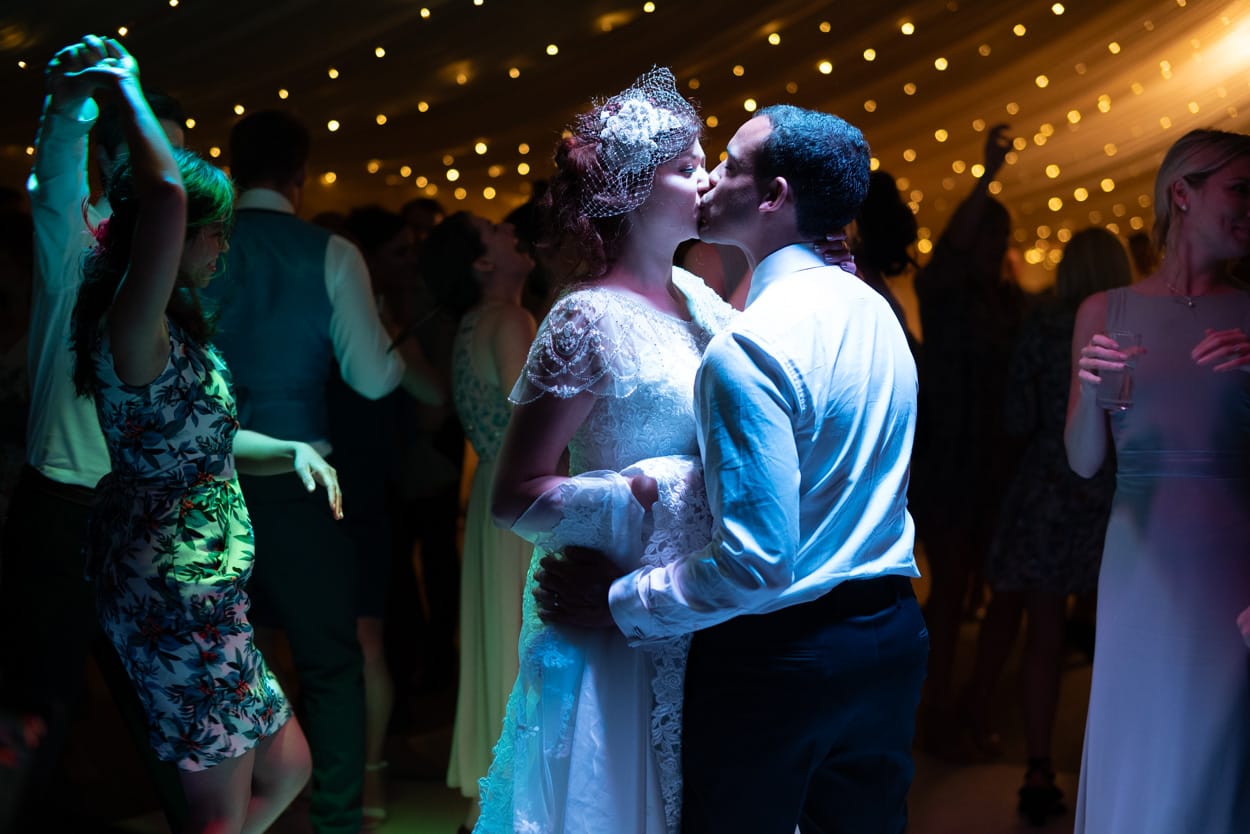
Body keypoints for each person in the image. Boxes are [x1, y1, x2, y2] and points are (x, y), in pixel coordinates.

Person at [538, 104, 926, 834]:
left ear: (774, 196)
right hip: (891, 637)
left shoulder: (750, 347)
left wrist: (623, 602)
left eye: (730, 167)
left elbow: (757, 563)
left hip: (782, 654)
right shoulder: (875, 311)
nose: (710, 179)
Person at [65, 37, 345, 833]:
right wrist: (127, 87)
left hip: (211, 594)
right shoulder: (134, 323)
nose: (221, 248)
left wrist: (291, 449)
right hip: (174, 597)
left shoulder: (172, 329)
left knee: (287, 768)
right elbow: (164, 199)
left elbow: (208, 441)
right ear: (170, 240)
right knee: (217, 811)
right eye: (211, 233)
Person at [474, 67, 738, 834]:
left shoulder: (705, 302)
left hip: (696, 603)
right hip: (615, 609)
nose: (708, 178)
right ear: (630, 192)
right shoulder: (585, 320)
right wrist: (638, 494)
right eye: (687, 167)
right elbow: (514, 494)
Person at [201, 110, 442, 834]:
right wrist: (399, 356)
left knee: (222, 662)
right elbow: (370, 381)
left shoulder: (197, 246)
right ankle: (337, 821)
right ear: (300, 177)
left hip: (206, 484)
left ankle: (235, 815)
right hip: (303, 485)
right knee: (331, 664)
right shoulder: (330, 253)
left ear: (231, 168)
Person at [0, 35, 191, 831]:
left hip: (145, 514)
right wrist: (78, 93)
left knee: (167, 709)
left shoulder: (181, 261)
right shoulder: (75, 233)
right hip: (64, 509)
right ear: (117, 166)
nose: (170, 173)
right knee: (37, 704)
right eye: (154, 154)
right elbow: (61, 147)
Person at [1066, 128, 1250, 833]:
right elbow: (1084, 460)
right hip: (1141, 563)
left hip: (1233, 566)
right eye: (1240, 190)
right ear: (1183, 193)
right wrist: (1093, 393)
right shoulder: (1103, 311)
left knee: (1220, 748)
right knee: (1140, 734)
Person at [963, 227, 1129, 825]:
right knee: (1122, 634)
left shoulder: (1043, 325)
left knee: (1042, 630)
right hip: (1123, 489)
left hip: (1050, 486)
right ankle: (1122, 768)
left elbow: (1017, 414)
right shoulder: (1137, 325)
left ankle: (1038, 764)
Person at [420, 211, 537, 834]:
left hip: (493, 491)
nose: (511, 230)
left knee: (502, 635)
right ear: (482, 264)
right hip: (521, 496)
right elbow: (539, 427)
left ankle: (488, 799)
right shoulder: (511, 321)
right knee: (522, 637)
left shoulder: (472, 324)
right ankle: (517, 796)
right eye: (496, 232)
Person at [911, 124, 1026, 751]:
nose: (995, 247)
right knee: (951, 588)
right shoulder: (946, 296)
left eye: (1002, 237)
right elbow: (948, 253)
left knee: (980, 587)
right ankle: (933, 708)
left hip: (992, 464)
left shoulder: (1007, 305)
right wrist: (986, 177)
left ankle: (964, 706)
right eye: (990, 234)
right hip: (950, 459)